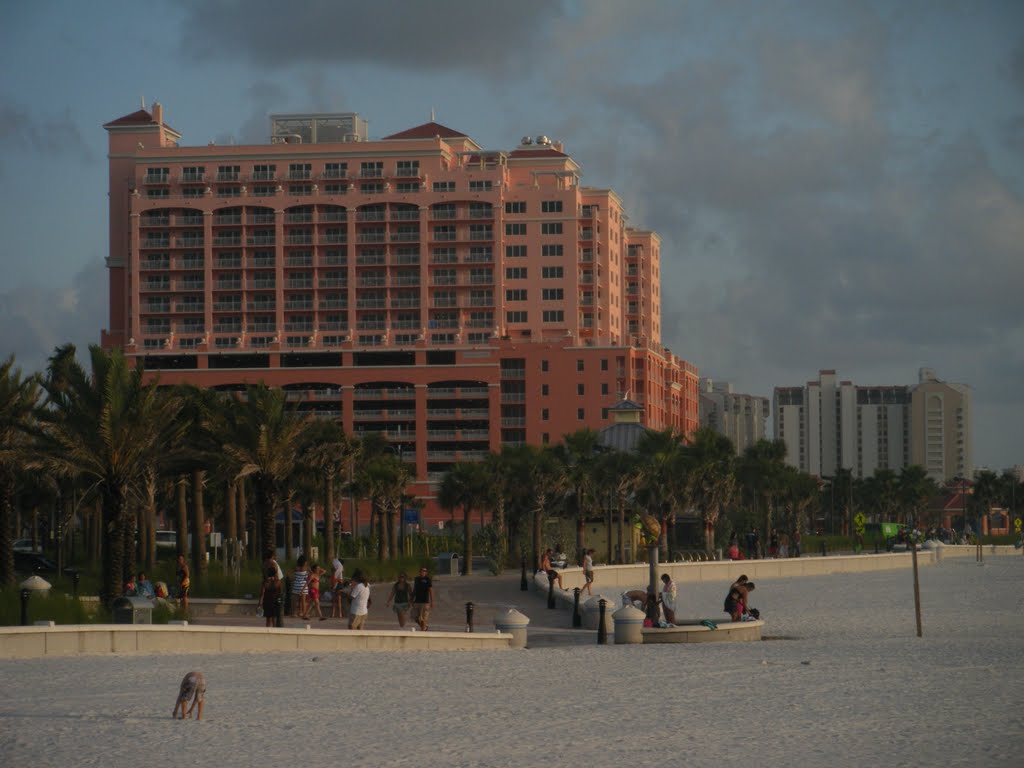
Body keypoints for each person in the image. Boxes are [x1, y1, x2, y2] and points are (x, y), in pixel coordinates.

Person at [412, 566, 434, 631]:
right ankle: (424, 628)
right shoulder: (416, 579)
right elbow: (415, 590)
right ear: (420, 572)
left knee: (424, 618)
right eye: (422, 571)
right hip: (417, 601)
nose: (423, 572)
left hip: (425, 602)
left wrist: (432, 601)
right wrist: (411, 599)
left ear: (426, 573)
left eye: (425, 571)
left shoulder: (428, 579)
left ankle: (423, 631)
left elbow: (431, 590)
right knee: (416, 618)